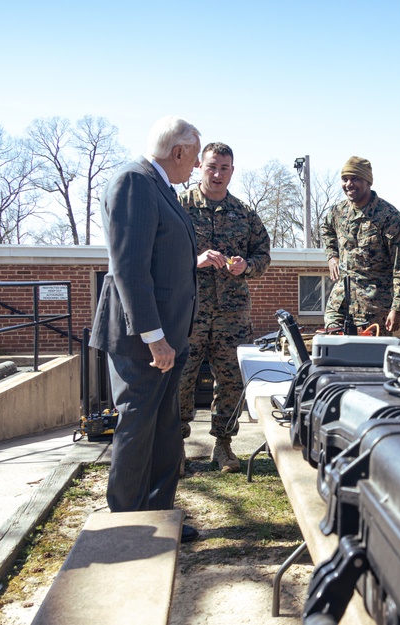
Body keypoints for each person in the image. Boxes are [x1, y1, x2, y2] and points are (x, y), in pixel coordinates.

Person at [89, 116, 201, 541]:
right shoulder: (133, 182)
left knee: (163, 431)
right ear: (178, 152)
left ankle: (158, 516)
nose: (193, 168)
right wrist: (154, 338)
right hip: (143, 341)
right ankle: (127, 526)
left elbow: (160, 257)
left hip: (169, 336)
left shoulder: (159, 187)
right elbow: (129, 267)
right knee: (137, 429)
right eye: (192, 159)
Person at [177, 143, 271, 474]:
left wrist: (246, 266)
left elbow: (264, 257)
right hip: (188, 311)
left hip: (232, 313)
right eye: (212, 167)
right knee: (180, 378)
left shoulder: (243, 213)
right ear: (199, 167)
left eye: (225, 168)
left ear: (233, 171)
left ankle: (223, 445)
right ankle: (176, 444)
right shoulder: (179, 206)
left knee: (231, 381)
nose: (218, 174)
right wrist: (194, 262)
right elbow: (157, 253)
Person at [321, 156, 400, 335]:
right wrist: (332, 255)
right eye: (345, 179)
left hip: (374, 308)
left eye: (355, 179)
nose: (349, 184)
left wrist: (397, 308)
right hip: (340, 303)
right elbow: (326, 229)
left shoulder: (388, 217)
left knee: (370, 358)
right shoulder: (338, 212)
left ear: (368, 181)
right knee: (333, 353)